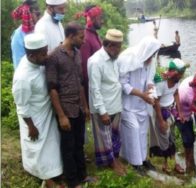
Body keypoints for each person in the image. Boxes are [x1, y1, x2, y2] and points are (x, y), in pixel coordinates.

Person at [46, 22, 93, 188]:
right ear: (71, 36)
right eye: (81, 37)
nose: (84, 41)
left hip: (79, 107)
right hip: (65, 109)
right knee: (68, 147)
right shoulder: (54, 57)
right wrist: (61, 116)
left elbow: (80, 82)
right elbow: (52, 89)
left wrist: (85, 106)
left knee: (79, 143)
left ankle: (83, 175)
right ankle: (72, 181)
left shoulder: (77, 53)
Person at [12, 33, 63, 187]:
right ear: (31, 55)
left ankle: (54, 173)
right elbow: (21, 105)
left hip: (45, 112)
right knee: (39, 149)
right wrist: (31, 126)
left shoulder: (37, 62)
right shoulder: (23, 77)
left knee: (51, 146)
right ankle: (47, 180)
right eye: (43, 53)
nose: (46, 55)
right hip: (34, 118)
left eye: (46, 51)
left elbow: (47, 58)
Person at [117, 37, 161, 175]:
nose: (152, 58)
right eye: (151, 55)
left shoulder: (150, 60)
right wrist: (143, 95)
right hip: (128, 104)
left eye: (154, 55)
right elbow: (123, 85)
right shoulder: (127, 58)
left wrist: (150, 90)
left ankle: (143, 159)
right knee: (133, 130)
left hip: (142, 104)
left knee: (143, 132)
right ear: (146, 51)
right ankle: (135, 164)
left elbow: (150, 79)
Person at [88, 29, 127, 176]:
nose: (119, 50)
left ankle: (115, 158)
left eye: (120, 46)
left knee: (114, 135)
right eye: (117, 47)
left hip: (115, 104)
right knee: (104, 137)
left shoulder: (114, 58)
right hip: (103, 107)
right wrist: (102, 112)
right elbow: (95, 89)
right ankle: (111, 163)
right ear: (109, 45)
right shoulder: (96, 61)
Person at [149, 59, 187, 174]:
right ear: (174, 73)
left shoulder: (176, 81)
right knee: (164, 140)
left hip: (170, 111)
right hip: (160, 112)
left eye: (182, 74)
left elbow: (176, 94)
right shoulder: (161, 82)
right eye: (179, 74)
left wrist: (180, 112)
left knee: (172, 138)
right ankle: (166, 165)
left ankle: (174, 163)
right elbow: (156, 102)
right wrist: (161, 122)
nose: (181, 76)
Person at [77, 5, 103, 106]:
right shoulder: (86, 38)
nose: (102, 21)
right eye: (100, 18)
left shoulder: (94, 34)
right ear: (94, 18)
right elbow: (85, 69)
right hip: (93, 90)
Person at [11, 0, 41, 69]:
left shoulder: (39, 29)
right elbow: (18, 64)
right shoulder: (18, 36)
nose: (39, 17)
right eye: (37, 14)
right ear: (28, 14)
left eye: (40, 14)